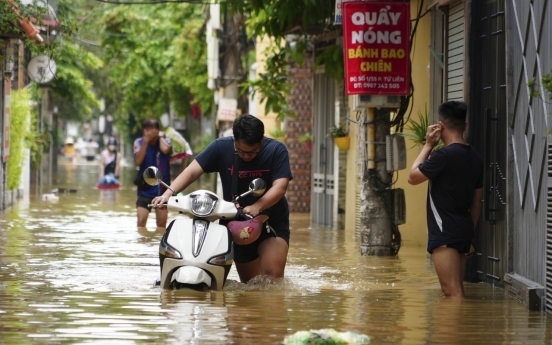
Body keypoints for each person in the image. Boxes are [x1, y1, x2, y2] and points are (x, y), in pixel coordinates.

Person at [151, 115, 293, 283]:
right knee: (250, 286)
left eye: (252, 151)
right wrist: (168, 194)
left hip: (270, 218)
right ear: (234, 140)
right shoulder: (221, 147)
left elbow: (280, 187)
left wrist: (258, 206)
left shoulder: (276, 150)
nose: (246, 156)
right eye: (240, 151)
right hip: (236, 222)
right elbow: (192, 171)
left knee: (272, 279)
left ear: (261, 140)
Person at [407, 101, 484, 298]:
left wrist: (428, 146)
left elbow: (412, 177)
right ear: (464, 125)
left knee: (451, 293)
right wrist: (468, 233)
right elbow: (476, 203)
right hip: (463, 229)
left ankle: (450, 329)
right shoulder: (475, 157)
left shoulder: (443, 156)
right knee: (457, 290)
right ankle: (457, 328)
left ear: (440, 126)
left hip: (444, 231)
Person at [134, 118, 172, 229]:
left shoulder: (165, 140)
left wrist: (160, 137)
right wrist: (146, 141)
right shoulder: (139, 142)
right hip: (145, 190)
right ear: (144, 131)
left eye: (154, 131)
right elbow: (138, 161)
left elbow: (166, 150)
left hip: (162, 190)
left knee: (161, 225)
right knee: (141, 223)